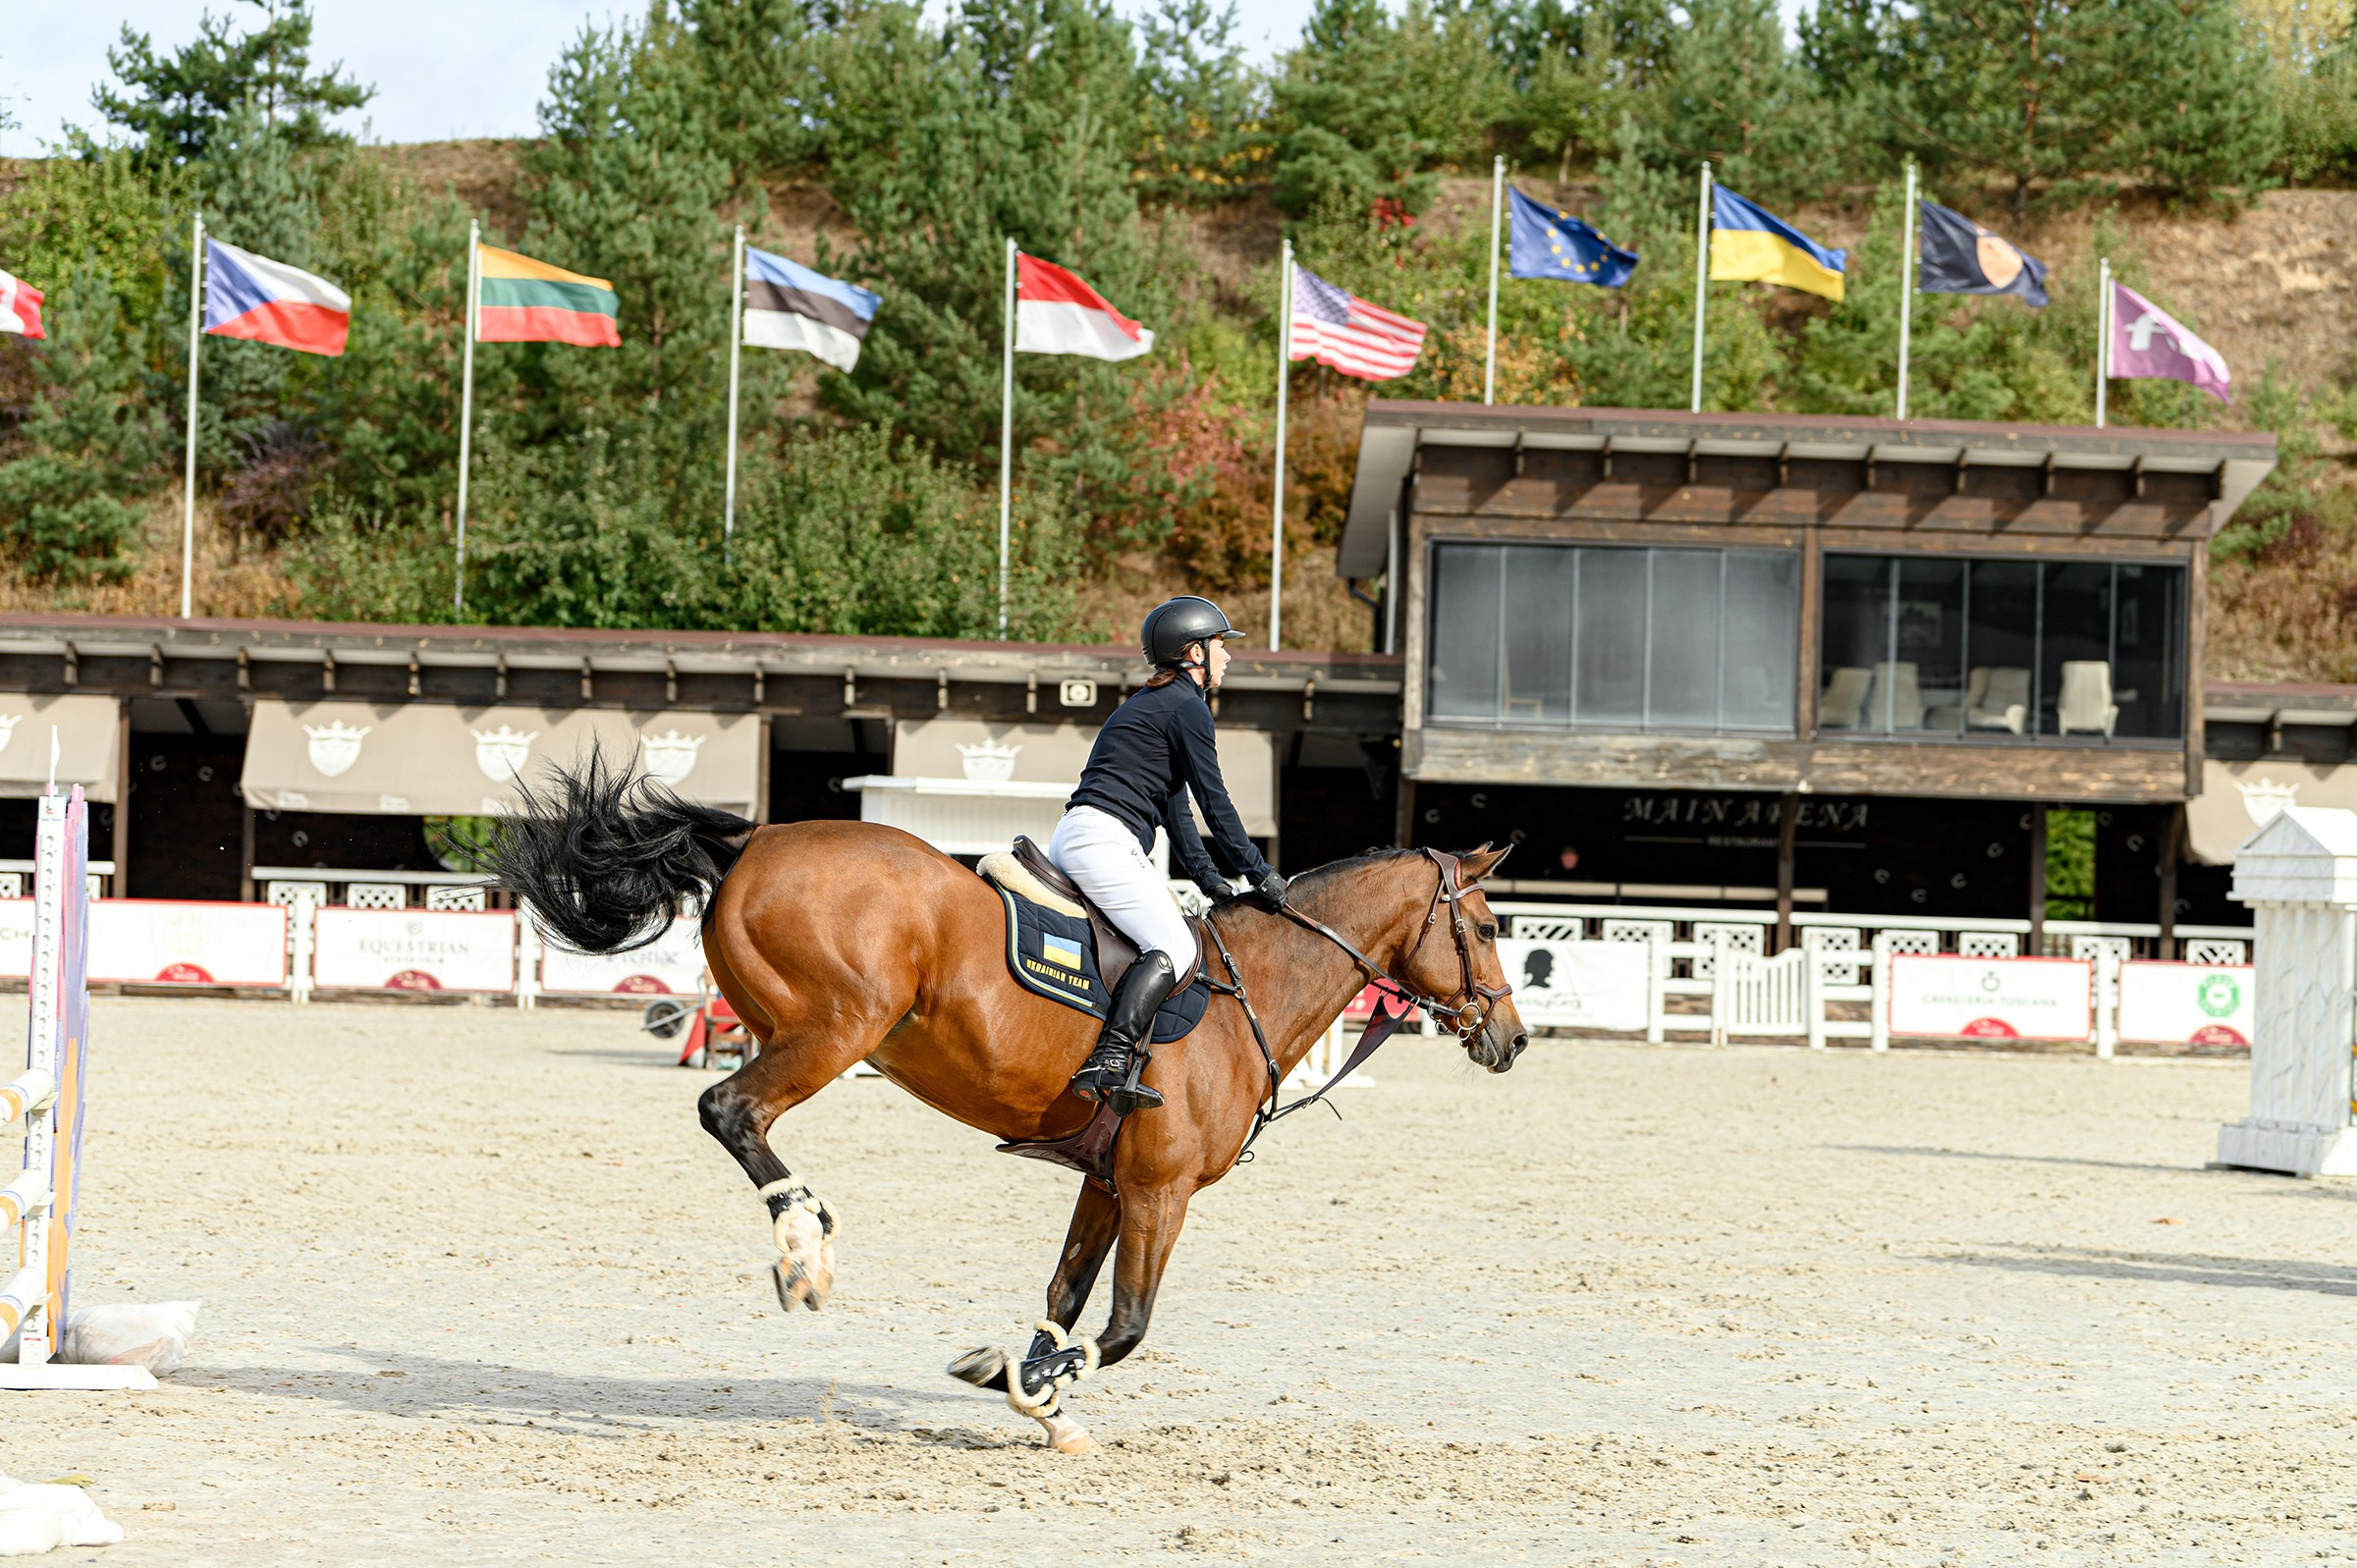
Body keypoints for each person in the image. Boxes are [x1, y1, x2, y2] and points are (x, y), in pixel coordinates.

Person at [1050, 596, 1288, 1113]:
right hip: (1105, 840)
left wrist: (1211, 881)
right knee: (1176, 946)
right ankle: (1110, 1059)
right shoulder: (1187, 707)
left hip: (1081, 835)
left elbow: (1178, 812)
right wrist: (1260, 872)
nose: (1228, 656)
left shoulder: (1155, 705)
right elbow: (1214, 799)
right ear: (1194, 652)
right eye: (1221, 645)